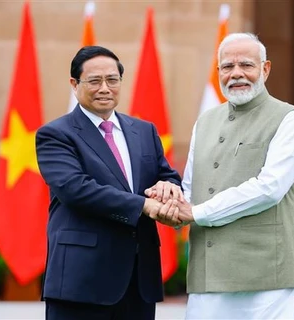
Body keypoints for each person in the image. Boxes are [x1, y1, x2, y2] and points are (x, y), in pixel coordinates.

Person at [35, 45, 182, 320]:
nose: (105, 88)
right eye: (94, 81)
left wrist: (168, 186)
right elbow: (75, 189)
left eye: (112, 80)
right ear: (74, 84)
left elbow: (167, 174)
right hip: (82, 282)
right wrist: (144, 206)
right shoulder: (55, 134)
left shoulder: (144, 130)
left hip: (138, 280)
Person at [174, 32, 294, 319]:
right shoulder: (205, 121)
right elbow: (190, 185)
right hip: (207, 273)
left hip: (267, 277)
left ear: (266, 69)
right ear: (219, 71)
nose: (236, 74)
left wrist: (196, 213)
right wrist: (172, 205)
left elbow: (269, 189)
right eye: (227, 66)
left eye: (246, 65)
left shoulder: (289, 119)